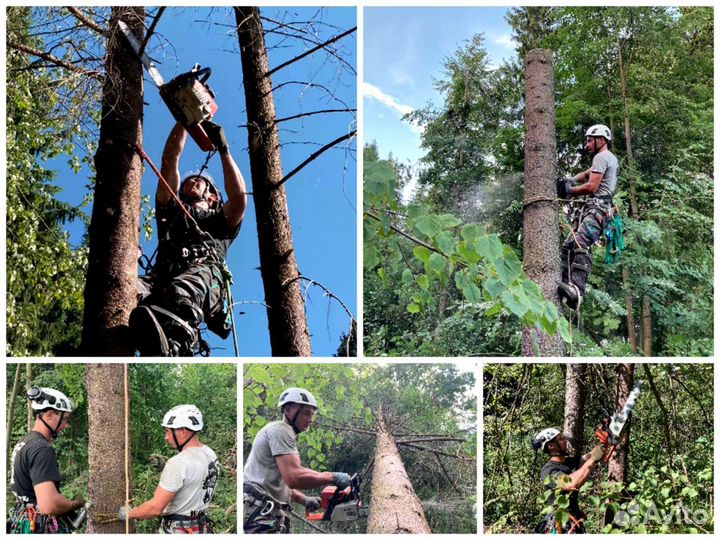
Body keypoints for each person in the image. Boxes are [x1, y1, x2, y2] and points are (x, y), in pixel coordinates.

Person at [130, 120, 248, 356]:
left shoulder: (220, 222)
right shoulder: (172, 213)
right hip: (161, 281)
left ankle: (175, 344)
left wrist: (223, 151)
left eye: (199, 181)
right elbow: (169, 163)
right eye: (187, 182)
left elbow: (239, 199)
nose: (192, 181)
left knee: (183, 289)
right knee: (128, 291)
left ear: (213, 197)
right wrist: (184, 121)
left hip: (203, 279)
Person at [243, 388, 352, 534]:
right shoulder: (280, 430)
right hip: (259, 514)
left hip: (265, 514)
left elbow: (278, 483)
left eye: (312, 414)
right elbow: (293, 477)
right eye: (306, 413)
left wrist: (304, 499)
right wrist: (333, 477)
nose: (310, 419)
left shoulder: (281, 434)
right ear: (288, 410)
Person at [118, 405, 219, 533]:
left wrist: (130, 513)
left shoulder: (177, 463)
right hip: (201, 527)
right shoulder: (210, 454)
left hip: (177, 530)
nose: (166, 437)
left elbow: (155, 508)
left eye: (168, 431)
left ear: (183, 431)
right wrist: (165, 466)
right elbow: (194, 474)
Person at [557, 124, 619, 310]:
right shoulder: (604, 159)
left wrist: (569, 191)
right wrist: (571, 180)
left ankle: (577, 291)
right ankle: (564, 283)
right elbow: (586, 175)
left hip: (598, 210)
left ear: (601, 140)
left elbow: (591, 187)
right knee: (568, 245)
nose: (587, 143)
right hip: (595, 209)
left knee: (580, 243)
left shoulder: (602, 157)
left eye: (590, 139)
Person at [9, 387, 85, 534]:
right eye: (65, 418)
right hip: (40, 526)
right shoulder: (42, 449)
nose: (66, 425)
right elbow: (49, 505)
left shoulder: (23, 443)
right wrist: (73, 504)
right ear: (49, 414)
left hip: (23, 520)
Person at [532, 427, 607, 534]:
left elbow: (586, 458)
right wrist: (593, 460)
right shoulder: (549, 470)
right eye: (561, 439)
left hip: (574, 520)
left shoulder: (567, 462)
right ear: (551, 446)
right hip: (562, 524)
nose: (565, 442)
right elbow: (571, 483)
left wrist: (603, 444)